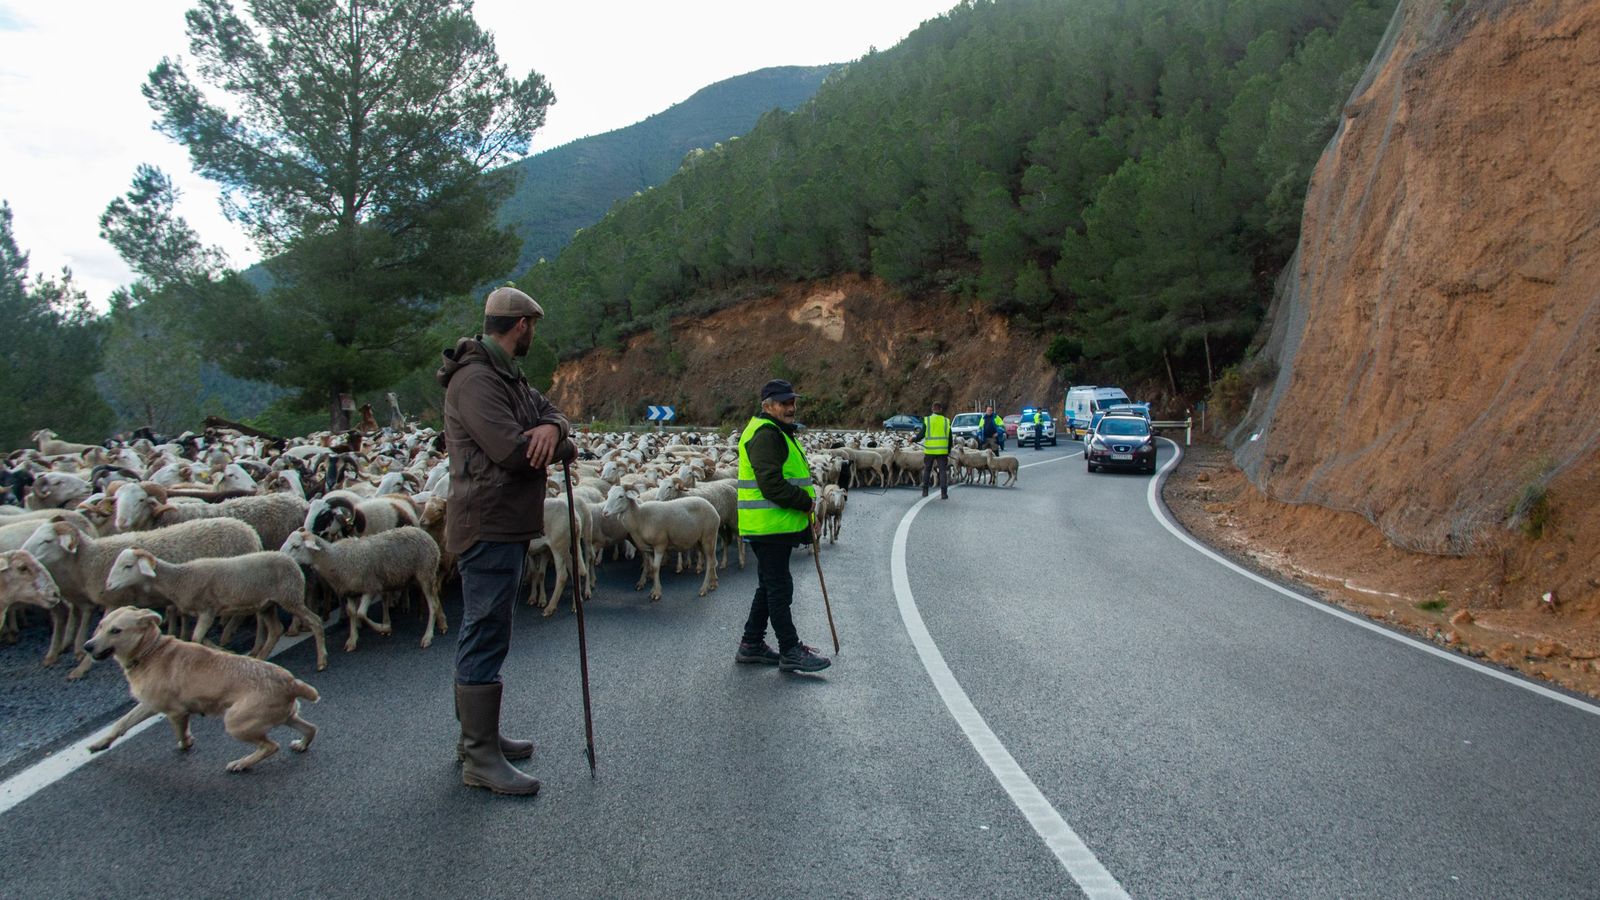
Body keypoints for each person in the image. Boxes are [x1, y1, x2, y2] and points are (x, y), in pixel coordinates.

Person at [437, 285, 576, 796]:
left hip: (506, 521)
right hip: (488, 521)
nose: (533, 334)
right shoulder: (477, 380)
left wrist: (554, 428)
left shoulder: (507, 376)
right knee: (486, 630)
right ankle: (479, 757)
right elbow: (513, 453)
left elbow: (553, 413)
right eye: (532, 326)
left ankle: (481, 737)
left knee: (489, 628)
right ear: (521, 325)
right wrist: (553, 442)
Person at [735, 379, 830, 673]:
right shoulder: (766, 434)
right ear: (767, 406)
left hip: (774, 525)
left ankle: (751, 644)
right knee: (779, 587)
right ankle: (790, 649)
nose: (790, 407)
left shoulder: (777, 431)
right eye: (783, 402)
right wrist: (805, 501)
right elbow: (771, 485)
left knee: (769, 585)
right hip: (769, 527)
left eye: (792, 401)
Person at [917, 401, 952, 499]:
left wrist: (913, 439)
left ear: (932, 409)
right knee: (942, 471)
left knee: (927, 470)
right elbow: (950, 438)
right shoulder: (946, 421)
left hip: (930, 451)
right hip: (942, 451)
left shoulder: (927, 420)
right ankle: (944, 493)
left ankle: (925, 491)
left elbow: (921, 434)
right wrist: (948, 450)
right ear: (940, 410)